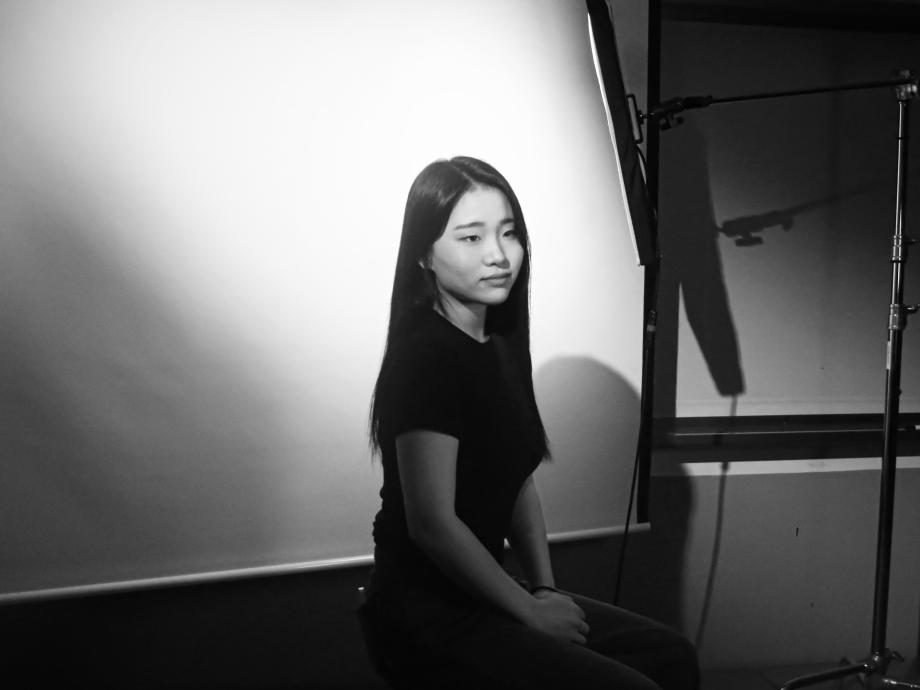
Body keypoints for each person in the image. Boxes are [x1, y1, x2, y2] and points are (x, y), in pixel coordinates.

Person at [363, 156, 699, 690]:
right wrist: (529, 611)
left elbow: (516, 478)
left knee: (670, 655)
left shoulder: (497, 342)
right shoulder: (426, 355)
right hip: (425, 612)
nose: (498, 255)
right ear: (424, 254)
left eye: (509, 233)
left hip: (483, 592)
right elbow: (432, 524)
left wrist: (545, 590)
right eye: (471, 238)